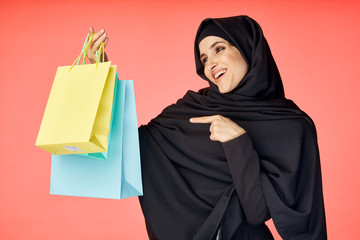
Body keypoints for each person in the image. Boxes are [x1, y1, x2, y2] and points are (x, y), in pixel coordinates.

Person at [86, 15, 327, 240]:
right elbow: (133, 147)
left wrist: (238, 143)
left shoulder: (291, 126)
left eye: (219, 49)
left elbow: (257, 212)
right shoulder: (194, 108)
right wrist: (102, 77)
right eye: (204, 59)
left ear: (247, 47)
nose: (210, 64)